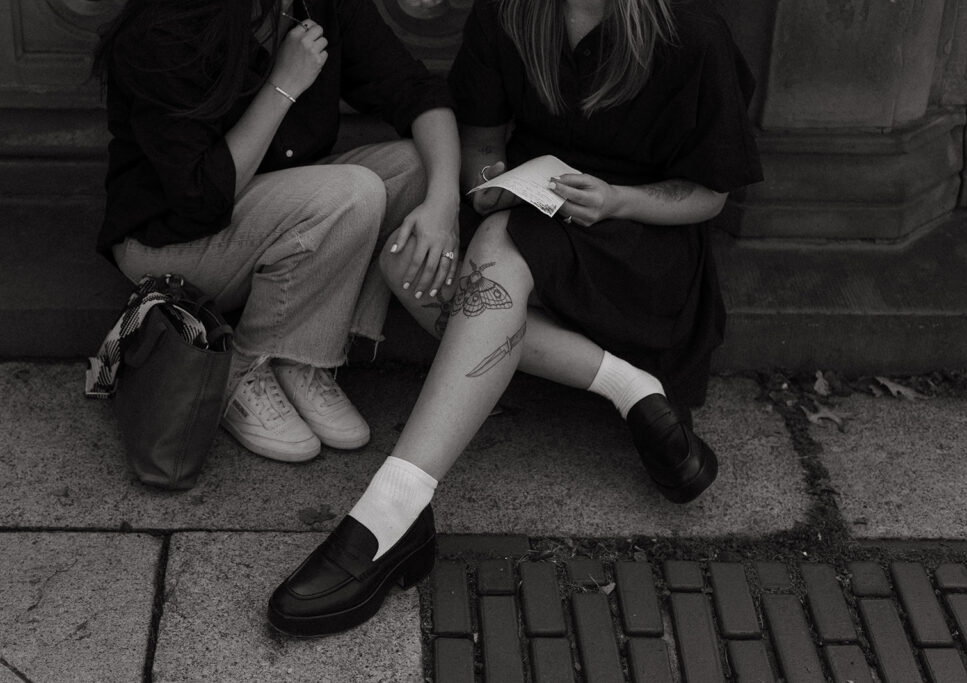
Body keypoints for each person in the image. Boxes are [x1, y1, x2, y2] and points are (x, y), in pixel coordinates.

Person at [267, 0, 762, 637]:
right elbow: (481, 139)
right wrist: (489, 182)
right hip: (536, 214)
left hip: (642, 251)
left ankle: (393, 511)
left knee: (499, 245)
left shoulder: (690, 32)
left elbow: (711, 194)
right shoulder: (512, 11)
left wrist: (618, 200)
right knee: (405, 263)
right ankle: (627, 385)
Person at [92, 0, 461, 463]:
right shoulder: (167, 25)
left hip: (275, 220)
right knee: (354, 191)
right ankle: (244, 367)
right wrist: (284, 84)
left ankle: (303, 358)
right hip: (173, 244)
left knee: (417, 167)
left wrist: (444, 202)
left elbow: (415, 90)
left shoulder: (319, 4)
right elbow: (201, 197)